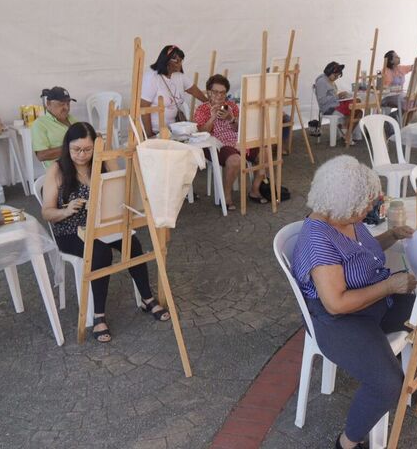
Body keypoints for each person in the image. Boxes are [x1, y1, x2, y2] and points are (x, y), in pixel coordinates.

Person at [290, 155, 417, 449]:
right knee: (387, 383)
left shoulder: (346, 217)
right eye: (363, 206)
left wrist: (391, 235)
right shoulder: (318, 239)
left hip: (373, 301)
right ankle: (346, 443)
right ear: (342, 203)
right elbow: (336, 303)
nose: (369, 209)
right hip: (340, 319)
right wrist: (390, 285)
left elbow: (361, 252)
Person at [41, 122, 169, 343]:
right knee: (100, 253)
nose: (81, 155)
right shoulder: (57, 169)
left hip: (103, 224)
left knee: (133, 243)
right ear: (67, 147)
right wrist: (67, 210)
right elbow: (47, 212)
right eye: (76, 150)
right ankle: (98, 315)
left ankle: (147, 298)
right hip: (71, 229)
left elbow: (123, 184)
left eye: (87, 149)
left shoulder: (98, 162)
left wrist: (105, 151)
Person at [193, 74, 268, 207]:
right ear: (209, 92)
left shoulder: (232, 106)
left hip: (236, 140)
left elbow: (240, 128)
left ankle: (255, 190)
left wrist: (231, 118)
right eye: (215, 92)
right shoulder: (202, 109)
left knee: (265, 152)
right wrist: (212, 118)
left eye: (222, 93)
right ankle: (226, 196)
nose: (219, 96)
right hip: (215, 144)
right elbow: (201, 132)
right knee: (235, 160)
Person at [141, 45, 208, 137]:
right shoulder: (152, 77)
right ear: (166, 60)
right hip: (155, 130)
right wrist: (149, 134)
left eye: (181, 60)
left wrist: (208, 102)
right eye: (176, 60)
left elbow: (193, 90)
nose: (180, 63)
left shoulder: (179, 76)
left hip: (173, 130)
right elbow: (144, 107)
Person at [315, 62, 362, 142]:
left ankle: (346, 131)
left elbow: (332, 95)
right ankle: (346, 132)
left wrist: (342, 96)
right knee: (355, 109)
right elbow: (322, 100)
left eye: (338, 76)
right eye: (335, 75)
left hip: (335, 104)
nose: (337, 77)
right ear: (329, 71)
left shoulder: (329, 80)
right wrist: (337, 96)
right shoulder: (321, 82)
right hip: (329, 108)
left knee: (358, 110)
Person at [32, 86, 79, 165]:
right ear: (48, 104)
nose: (66, 108)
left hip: (79, 164)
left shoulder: (72, 119)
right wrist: (72, 148)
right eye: (61, 104)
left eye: (68, 103)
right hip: (59, 170)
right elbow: (41, 155)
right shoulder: (40, 124)